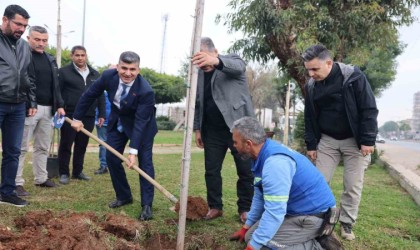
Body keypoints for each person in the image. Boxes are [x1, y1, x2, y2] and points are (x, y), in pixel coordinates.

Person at [302, 44, 378, 241]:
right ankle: (319, 219)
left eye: (315, 69)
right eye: (308, 69)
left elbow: (368, 109)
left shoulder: (353, 77)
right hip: (327, 140)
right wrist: (311, 144)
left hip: (355, 140)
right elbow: (309, 117)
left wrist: (368, 139)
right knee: (317, 181)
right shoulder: (311, 86)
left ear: (329, 63)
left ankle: (347, 223)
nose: (311, 74)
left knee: (352, 185)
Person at [71, 51, 157, 221]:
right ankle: (124, 196)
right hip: (118, 123)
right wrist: (77, 118)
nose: (127, 73)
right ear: (117, 67)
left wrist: (133, 152)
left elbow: (140, 122)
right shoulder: (108, 76)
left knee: (145, 163)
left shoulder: (146, 91)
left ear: (138, 70)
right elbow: (89, 95)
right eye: (124, 68)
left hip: (142, 127)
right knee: (111, 158)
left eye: (132, 69)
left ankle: (147, 205)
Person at [229, 117, 338, 249]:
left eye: (235, 142)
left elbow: (275, 212)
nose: (233, 146)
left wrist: (252, 247)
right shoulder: (262, 155)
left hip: (314, 217)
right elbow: (260, 197)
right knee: (250, 236)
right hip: (297, 212)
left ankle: (319, 245)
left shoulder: (275, 163)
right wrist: (246, 228)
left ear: (248, 143)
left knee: (262, 246)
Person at [192, 37, 254, 222]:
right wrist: (198, 129)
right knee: (211, 171)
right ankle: (215, 207)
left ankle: (245, 208)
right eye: (198, 60)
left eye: (205, 58)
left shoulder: (230, 61)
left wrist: (216, 62)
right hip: (212, 130)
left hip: (239, 128)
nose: (203, 64)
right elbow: (198, 102)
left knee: (245, 170)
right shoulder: (199, 73)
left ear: (215, 51)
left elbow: (240, 66)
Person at [15, 26, 66, 196]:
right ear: (29, 38)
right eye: (37, 39)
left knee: (43, 146)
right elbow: (23, 82)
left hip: (49, 109)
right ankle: (16, 182)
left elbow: (55, 85)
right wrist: (30, 103)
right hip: (29, 108)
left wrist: (59, 104)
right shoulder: (22, 56)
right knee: (21, 147)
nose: (41, 43)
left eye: (44, 40)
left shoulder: (51, 59)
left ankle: (41, 178)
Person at [0, 5, 35, 207]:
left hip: (18, 106)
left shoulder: (23, 46)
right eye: (18, 24)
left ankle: (7, 192)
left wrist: (30, 100)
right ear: (5, 20)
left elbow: (28, 76)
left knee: (13, 150)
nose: (21, 29)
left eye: (25, 26)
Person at [58, 45, 105, 185]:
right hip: (69, 114)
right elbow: (58, 92)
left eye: (82, 55)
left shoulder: (95, 74)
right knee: (66, 144)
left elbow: (100, 95)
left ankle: (77, 172)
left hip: (89, 115)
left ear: (86, 56)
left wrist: (102, 113)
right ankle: (64, 173)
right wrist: (59, 107)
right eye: (77, 55)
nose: (80, 58)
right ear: (72, 56)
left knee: (82, 145)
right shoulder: (64, 72)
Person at [94, 90, 111, 175]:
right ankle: (104, 166)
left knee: (105, 144)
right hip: (102, 122)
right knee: (103, 144)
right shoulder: (101, 91)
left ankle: (107, 166)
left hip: (113, 122)